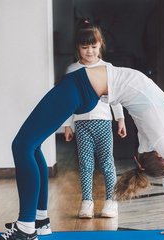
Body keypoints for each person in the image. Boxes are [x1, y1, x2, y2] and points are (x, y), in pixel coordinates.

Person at [0, 64, 164, 240]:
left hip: (80, 87)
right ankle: (39, 221)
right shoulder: (151, 140)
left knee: (23, 145)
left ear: (162, 155)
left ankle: (26, 230)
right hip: (84, 88)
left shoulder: (159, 136)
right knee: (31, 146)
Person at [63, 20, 126, 219]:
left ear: (100, 45)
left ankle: (111, 202)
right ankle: (87, 202)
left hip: (104, 123)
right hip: (81, 125)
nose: (89, 51)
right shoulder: (72, 70)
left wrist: (121, 119)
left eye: (93, 46)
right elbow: (68, 101)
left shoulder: (107, 67)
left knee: (107, 163)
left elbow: (115, 96)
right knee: (86, 165)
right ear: (78, 48)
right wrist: (67, 125)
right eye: (84, 47)